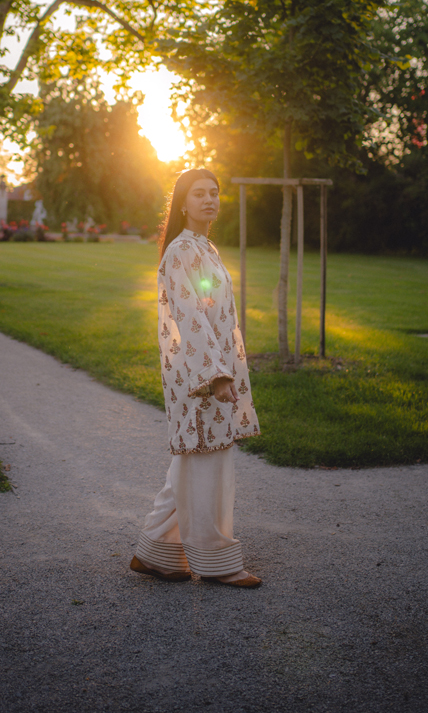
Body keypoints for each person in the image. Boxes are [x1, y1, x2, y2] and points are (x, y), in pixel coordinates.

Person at [130, 168, 262, 588]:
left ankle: (155, 551)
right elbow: (190, 318)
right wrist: (217, 374)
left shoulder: (205, 247)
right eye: (198, 194)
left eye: (214, 193)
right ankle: (217, 561)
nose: (208, 200)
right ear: (182, 204)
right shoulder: (181, 251)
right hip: (198, 372)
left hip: (212, 365)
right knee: (209, 459)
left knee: (193, 455)